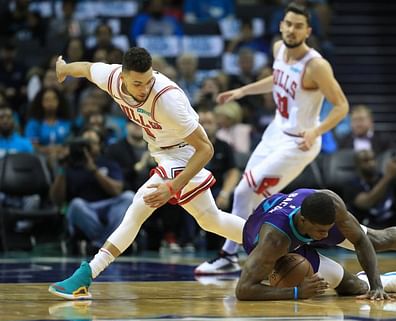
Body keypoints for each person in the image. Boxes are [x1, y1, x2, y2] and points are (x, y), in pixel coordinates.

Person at [48, 46, 247, 300]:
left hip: (185, 152)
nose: (143, 89)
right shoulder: (111, 77)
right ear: (122, 78)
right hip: (161, 151)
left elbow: (206, 149)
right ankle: (269, 239)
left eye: (148, 81)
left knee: (138, 206)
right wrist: (64, 68)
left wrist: (173, 186)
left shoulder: (167, 100)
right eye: (137, 83)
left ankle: (86, 275)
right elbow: (87, 69)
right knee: (211, 220)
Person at [196, 2, 350, 274]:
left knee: (246, 191)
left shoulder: (316, 66)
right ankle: (251, 253)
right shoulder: (278, 48)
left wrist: (316, 131)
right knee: (250, 196)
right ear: (281, 26)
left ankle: (234, 254)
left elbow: (341, 106)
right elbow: (277, 79)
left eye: (298, 26)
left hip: (298, 143)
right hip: (276, 131)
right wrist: (243, 91)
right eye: (288, 24)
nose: (292, 30)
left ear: (308, 30)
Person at [236, 188, 396, 301]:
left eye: (328, 229)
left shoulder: (331, 204)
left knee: (376, 239)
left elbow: (360, 240)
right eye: (319, 231)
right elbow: (244, 290)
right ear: (303, 220)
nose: (325, 237)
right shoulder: (274, 242)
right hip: (274, 239)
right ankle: (371, 281)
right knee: (349, 286)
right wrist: (294, 293)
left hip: (298, 221)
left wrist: (377, 287)